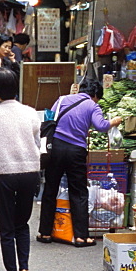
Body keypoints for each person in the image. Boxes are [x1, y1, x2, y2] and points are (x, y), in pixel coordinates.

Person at [36, 81, 123, 247]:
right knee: (79, 192)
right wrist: (114, 122)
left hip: (56, 147)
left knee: (50, 189)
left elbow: (49, 119)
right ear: (96, 95)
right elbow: (101, 126)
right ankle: (82, 237)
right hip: (76, 151)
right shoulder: (92, 106)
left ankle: (45, 233)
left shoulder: (62, 99)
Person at [0, 68, 40, 271]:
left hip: (4, 173)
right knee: (22, 224)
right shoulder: (31, 112)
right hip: (30, 172)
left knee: (6, 228)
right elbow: (37, 141)